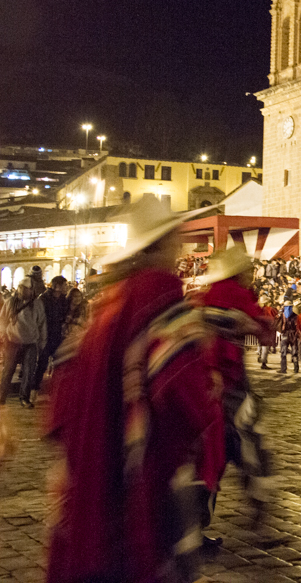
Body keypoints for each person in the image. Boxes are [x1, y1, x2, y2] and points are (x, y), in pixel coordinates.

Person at [45, 198, 222, 583]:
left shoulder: (106, 306)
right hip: (143, 479)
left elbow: (62, 388)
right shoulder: (164, 302)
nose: (179, 247)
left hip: (94, 478)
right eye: (175, 239)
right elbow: (185, 394)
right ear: (163, 244)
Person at [198, 246, 274, 534]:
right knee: (248, 442)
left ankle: (198, 521)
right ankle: (258, 499)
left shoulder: (207, 296)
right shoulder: (236, 295)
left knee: (208, 453)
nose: (251, 275)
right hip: (230, 383)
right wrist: (260, 325)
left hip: (205, 381)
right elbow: (263, 334)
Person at [0, 277, 46, 408]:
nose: (25, 291)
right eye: (23, 288)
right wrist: (4, 334)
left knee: (28, 372)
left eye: (28, 289)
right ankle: (2, 396)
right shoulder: (11, 302)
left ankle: (24, 398)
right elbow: (3, 319)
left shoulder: (37, 304)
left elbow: (42, 323)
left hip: (30, 342)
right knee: (8, 370)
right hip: (12, 341)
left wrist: (42, 341)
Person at [35, 275, 70, 401]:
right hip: (46, 335)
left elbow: (64, 314)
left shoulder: (63, 299)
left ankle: (54, 391)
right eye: (64, 285)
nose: (66, 287)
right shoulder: (44, 298)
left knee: (58, 363)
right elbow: (39, 317)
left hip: (57, 335)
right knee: (42, 364)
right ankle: (34, 390)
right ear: (57, 286)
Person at [278, 299, 299, 373]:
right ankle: (296, 368)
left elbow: (279, 324)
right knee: (294, 352)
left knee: (283, 353)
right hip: (293, 335)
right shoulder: (295, 316)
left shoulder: (282, 315)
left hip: (285, 334)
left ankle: (283, 369)